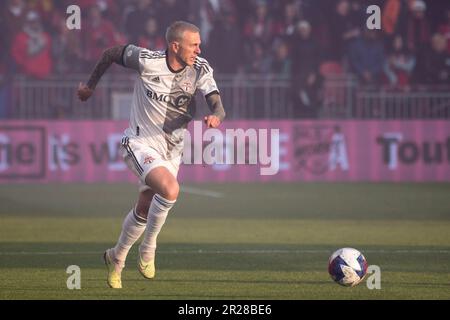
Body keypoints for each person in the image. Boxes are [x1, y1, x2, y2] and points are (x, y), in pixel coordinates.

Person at [77, 21, 226, 289]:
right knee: (170, 190)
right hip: (139, 142)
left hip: (172, 150)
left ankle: (116, 257)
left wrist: (216, 115)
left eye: (199, 44)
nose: (199, 49)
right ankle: (149, 248)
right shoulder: (147, 60)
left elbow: (217, 102)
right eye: (194, 44)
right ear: (175, 46)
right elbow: (111, 53)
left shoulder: (201, 68)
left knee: (144, 208)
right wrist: (89, 87)